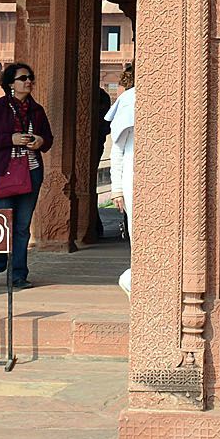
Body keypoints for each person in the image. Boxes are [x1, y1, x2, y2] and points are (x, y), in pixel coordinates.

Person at [0, 62, 53, 289]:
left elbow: (48, 139)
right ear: (11, 84)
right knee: (0, 222)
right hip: (5, 172)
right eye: (23, 78)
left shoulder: (36, 111)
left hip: (31, 172)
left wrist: (40, 142)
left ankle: (18, 274)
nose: (28, 81)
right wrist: (10, 139)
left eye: (30, 77)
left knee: (22, 226)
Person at [105, 65, 136, 291]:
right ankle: (134, 281)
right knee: (138, 233)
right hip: (133, 176)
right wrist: (116, 188)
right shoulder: (130, 100)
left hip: (164, 178)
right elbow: (117, 149)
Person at [86, 82, 112, 244]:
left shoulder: (99, 98)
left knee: (87, 183)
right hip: (96, 145)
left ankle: (94, 225)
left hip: (94, 145)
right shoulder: (103, 98)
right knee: (88, 183)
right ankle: (95, 225)